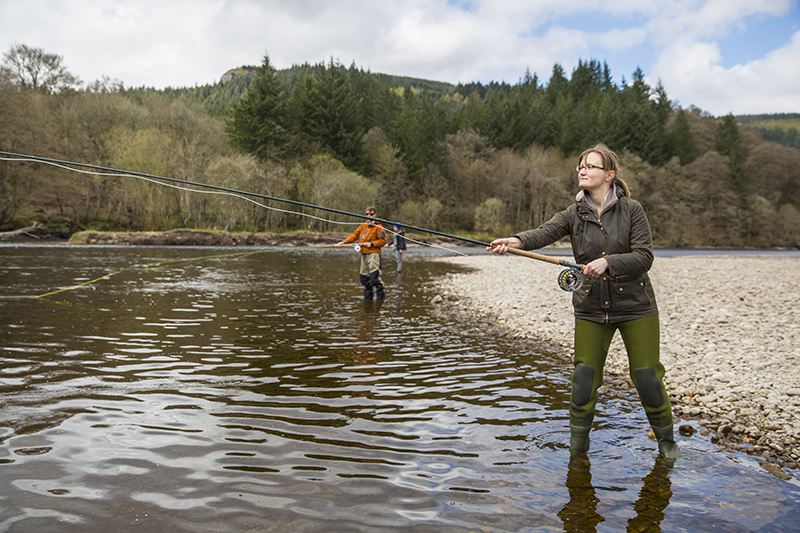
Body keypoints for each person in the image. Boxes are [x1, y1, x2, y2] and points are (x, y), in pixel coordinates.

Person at [488, 143, 681, 461]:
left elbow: (644, 257)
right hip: (591, 307)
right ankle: (578, 453)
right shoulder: (572, 213)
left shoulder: (632, 210)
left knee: (646, 376)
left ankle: (667, 444)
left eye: (591, 166)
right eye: (581, 165)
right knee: (583, 379)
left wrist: (609, 263)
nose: (583, 169)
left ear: (609, 174)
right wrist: (515, 241)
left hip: (636, 305)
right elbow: (545, 232)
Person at [336, 206, 388, 300]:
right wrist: (344, 242)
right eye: (367, 214)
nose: (369, 216)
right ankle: (368, 298)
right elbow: (354, 235)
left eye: (371, 214)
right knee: (364, 278)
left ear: (375, 215)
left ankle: (381, 297)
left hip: (374, 254)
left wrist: (372, 244)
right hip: (363, 254)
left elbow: (383, 241)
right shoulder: (362, 226)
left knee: (374, 278)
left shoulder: (379, 227)